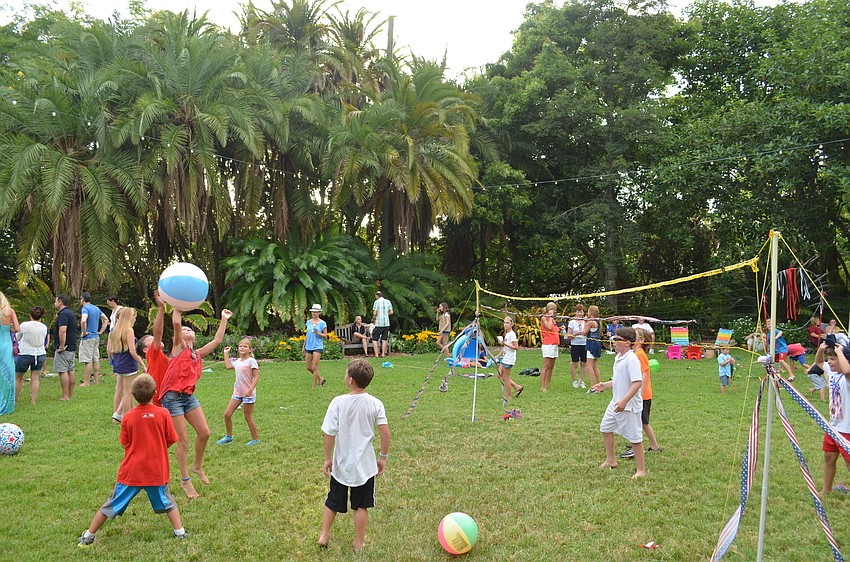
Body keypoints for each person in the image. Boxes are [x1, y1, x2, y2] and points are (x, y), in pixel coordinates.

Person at [76, 374, 186, 547]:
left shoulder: (127, 417)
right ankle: (180, 533)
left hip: (131, 472)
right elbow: (172, 438)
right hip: (156, 471)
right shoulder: (163, 413)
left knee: (111, 504)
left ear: (133, 396)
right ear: (155, 393)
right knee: (168, 501)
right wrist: (157, 448)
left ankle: (89, 536)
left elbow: (124, 443)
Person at [158, 307, 232, 499]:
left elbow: (216, 341)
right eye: (185, 329)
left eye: (190, 329)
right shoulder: (178, 348)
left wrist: (223, 318)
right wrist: (177, 307)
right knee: (183, 440)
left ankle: (197, 466)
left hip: (188, 397)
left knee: (205, 433)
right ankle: (185, 481)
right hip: (172, 397)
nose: (188, 329)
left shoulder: (197, 354)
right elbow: (175, 323)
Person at [318, 359, 390, 553]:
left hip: (341, 464)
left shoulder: (338, 402)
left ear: (350, 380)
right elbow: (384, 432)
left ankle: (324, 535)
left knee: (332, 500)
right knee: (361, 506)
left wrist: (327, 458)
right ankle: (358, 543)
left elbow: (329, 432)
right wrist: (382, 457)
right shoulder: (376, 403)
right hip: (365, 467)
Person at [591, 327, 645, 478]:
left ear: (627, 343)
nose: (613, 342)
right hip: (615, 403)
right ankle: (611, 461)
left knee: (635, 438)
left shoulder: (632, 359)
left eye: (617, 340)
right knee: (605, 428)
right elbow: (620, 380)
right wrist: (605, 385)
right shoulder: (619, 357)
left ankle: (641, 470)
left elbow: (637, 382)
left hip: (628, 406)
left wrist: (624, 401)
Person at [621, 328, 662, 457]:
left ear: (641, 340)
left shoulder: (638, 354)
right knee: (642, 422)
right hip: (642, 395)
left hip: (642, 396)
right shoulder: (637, 353)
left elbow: (643, 375)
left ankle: (640, 446)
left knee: (641, 422)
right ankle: (653, 446)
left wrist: (639, 394)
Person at [817, 342, 850, 496]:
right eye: (829, 358)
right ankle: (826, 490)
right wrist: (821, 350)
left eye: (833, 359)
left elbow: (847, 369)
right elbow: (818, 363)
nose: (829, 362)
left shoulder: (847, 378)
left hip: (847, 429)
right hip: (833, 427)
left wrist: (840, 351)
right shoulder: (833, 374)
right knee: (829, 457)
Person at [218, 338, 260, 446]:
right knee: (227, 414)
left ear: (250, 350)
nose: (242, 348)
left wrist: (250, 390)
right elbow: (228, 366)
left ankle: (255, 439)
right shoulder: (237, 362)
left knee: (247, 417)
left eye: (245, 346)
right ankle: (229, 436)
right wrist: (225, 353)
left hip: (248, 393)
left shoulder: (251, 361)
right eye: (240, 346)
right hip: (237, 392)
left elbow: (256, 377)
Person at [107, 307, 146, 423]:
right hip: (128, 363)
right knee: (128, 392)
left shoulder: (114, 330)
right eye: (134, 316)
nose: (135, 318)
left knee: (119, 389)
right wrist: (143, 364)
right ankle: (127, 417)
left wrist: (114, 361)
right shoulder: (129, 330)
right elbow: (132, 351)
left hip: (118, 363)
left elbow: (110, 349)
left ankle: (117, 413)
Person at [135, 290, 169, 407]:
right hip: (160, 398)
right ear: (145, 350)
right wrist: (161, 308)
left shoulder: (161, 356)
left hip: (167, 396)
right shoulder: (152, 354)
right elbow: (158, 332)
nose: (154, 339)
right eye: (151, 339)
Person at [15, 306, 47, 405]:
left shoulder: (24, 325)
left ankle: (15, 399)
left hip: (25, 353)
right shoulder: (44, 327)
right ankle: (33, 401)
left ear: (30, 315)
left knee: (18, 377)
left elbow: (18, 337)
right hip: (40, 353)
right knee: (35, 378)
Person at [79, 292, 109, 387]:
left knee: (88, 361)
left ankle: (86, 382)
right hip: (96, 336)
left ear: (83, 299)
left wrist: (84, 333)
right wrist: (100, 331)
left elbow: (83, 320)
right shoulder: (96, 308)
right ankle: (96, 380)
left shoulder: (85, 309)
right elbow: (106, 320)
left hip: (88, 337)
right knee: (96, 359)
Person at [53, 294, 78, 401]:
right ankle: (70, 394)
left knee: (63, 370)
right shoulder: (71, 313)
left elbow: (62, 330)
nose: (54, 303)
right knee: (70, 369)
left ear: (60, 302)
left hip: (65, 346)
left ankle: (65, 396)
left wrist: (62, 346)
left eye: (55, 301)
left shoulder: (63, 314)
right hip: (72, 345)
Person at [0, 291, 19, 415]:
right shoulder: (10, 311)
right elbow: (17, 328)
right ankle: (7, 403)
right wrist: (10, 328)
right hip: (6, 343)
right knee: (8, 372)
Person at [496, 317, 523, 399]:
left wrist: (505, 343)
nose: (505, 324)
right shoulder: (507, 334)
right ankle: (517, 387)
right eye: (504, 322)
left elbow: (516, 347)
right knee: (499, 374)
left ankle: (508, 396)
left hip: (509, 358)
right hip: (505, 357)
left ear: (512, 324)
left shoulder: (512, 334)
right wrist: (497, 356)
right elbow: (505, 347)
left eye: (507, 323)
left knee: (506, 377)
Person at [303, 304, 328, 389]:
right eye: (313, 312)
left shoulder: (322, 323)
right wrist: (304, 346)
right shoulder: (308, 322)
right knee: (308, 367)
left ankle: (313, 386)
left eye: (315, 312)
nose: (313, 313)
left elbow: (325, 335)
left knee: (314, 366)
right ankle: (320, 378)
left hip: (317, 346)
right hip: (309, 346)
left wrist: (318, 333)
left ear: (319, 313)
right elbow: (307, 335)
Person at [539, 302, 560, 392]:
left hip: (554, 344)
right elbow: (548, 327)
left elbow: (554, 329)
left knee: (551, 365)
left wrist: (560, 328)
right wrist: (550, 317)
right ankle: (542, 386)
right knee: (546, 366)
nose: (554, 311)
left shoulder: (552, 319)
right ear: (549, 309)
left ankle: (548, 384)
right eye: (553, 309)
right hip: (548, 344)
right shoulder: (544, 318)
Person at [567, 304, 587, 389]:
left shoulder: (585, 322)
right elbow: (568, 336)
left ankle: (582, 381)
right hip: (575, 344)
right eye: (578, 311)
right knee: (575, 363)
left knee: (583, 364)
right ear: (575, 312)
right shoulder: (572, 322)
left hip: (584, 344)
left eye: (581, 312)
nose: (579, 313)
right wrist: (576, 334)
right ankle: (574, 381)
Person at [584, 305, 603, 390]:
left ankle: (592, 386)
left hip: (591, 343)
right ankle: (599, 384)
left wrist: (585, 322)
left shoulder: (590, 322)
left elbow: (584, 332)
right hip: (597, 342)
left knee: (589, 365)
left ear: (590, 312)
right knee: (595, 365)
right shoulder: (598, 321)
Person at [371, 291, 393, 358]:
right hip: (386, 323)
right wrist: (386, 314)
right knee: (384, 339)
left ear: (377, 295)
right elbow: (391, 312)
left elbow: (374, 313)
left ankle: (376, 354)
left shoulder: (376, 302)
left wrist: (377, 315)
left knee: (374, 339)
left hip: (379, 324)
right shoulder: (388, 301)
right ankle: (383, 353)